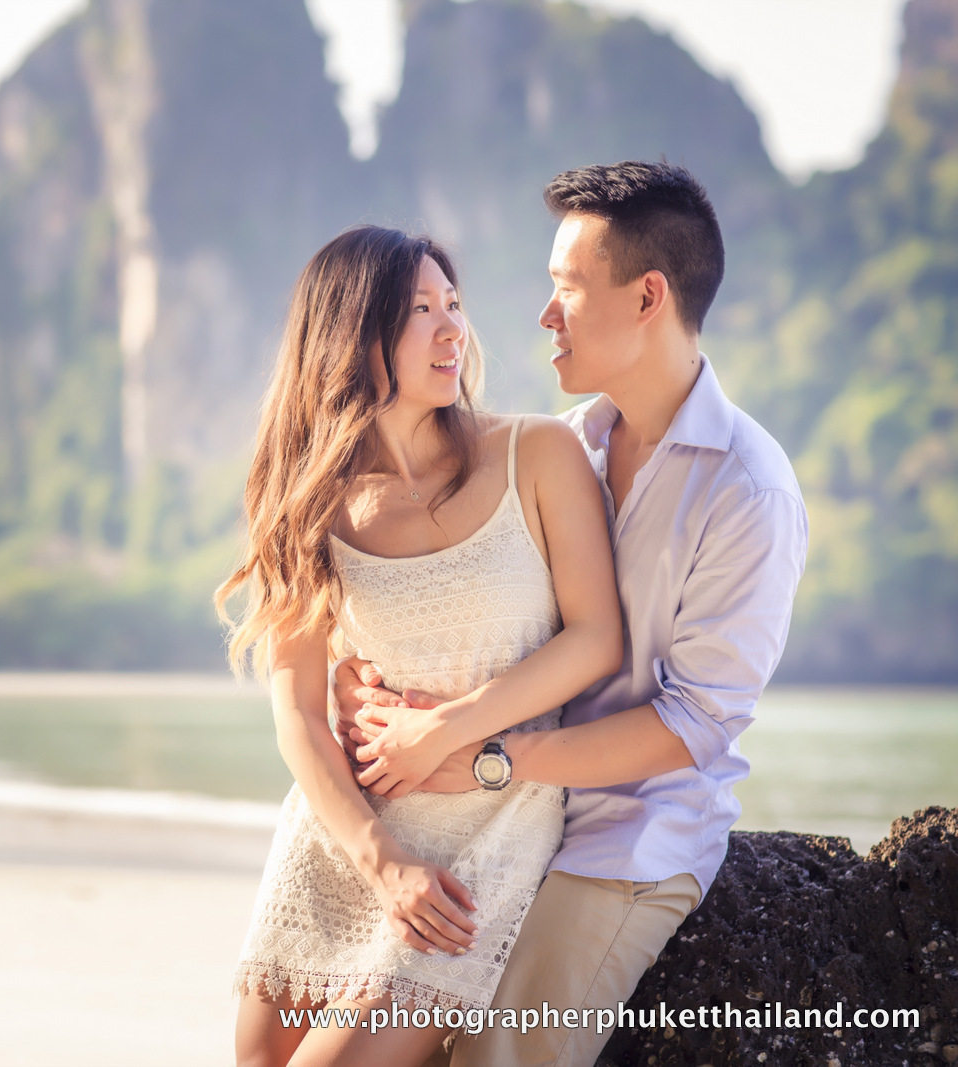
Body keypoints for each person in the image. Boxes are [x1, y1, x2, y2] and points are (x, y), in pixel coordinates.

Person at [339, 161, 809, 1066]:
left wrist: (489, 758)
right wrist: (364, 689)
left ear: (648, 297)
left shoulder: (749, 490)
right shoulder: (566, 449)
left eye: (567, 288)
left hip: (625, 842)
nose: (544, 315)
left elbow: (696, 723)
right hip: (505, 813)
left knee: (492, 1055)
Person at [219, 224, 625, 1067]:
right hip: (351, 831)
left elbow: (596, 639)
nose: (452, 330)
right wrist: (383, 861)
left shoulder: (536, 453)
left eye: (454, 304)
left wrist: (443, 729)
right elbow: (298, 712)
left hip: (491, 825)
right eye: (420, 310)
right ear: (351, 333)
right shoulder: (307, 500)